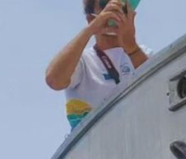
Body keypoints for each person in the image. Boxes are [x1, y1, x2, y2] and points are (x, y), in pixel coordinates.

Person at [46, 0, 149, 129]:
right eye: (104, 4)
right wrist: (90, 30)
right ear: (90, 19)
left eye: (120, 5)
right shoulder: (82, 61)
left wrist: (132, 47)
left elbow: (159, 89)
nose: (113, 9)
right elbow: (54, 80)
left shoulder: (142, 53)